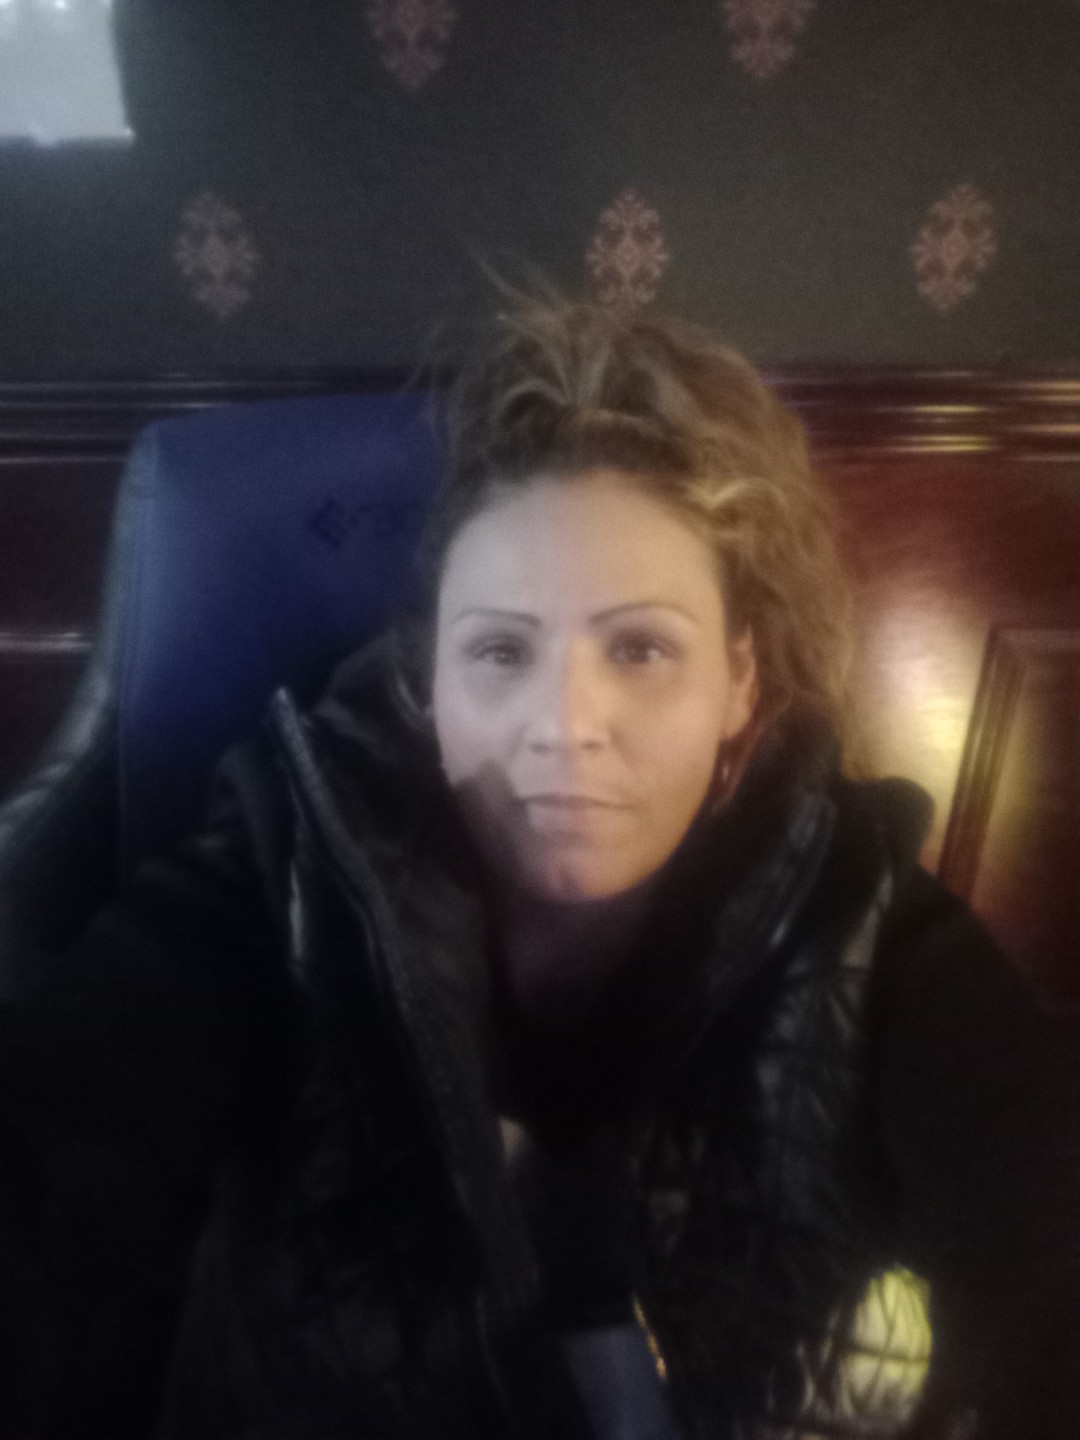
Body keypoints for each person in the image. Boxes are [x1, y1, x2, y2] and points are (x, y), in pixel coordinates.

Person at [1, 293, 1078, 1440]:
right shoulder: (276, 879)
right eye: (501, 651)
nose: (564, 725)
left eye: (642, 649)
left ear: (739, 684)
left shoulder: (865, 919)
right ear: (428, 681)